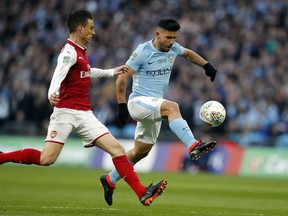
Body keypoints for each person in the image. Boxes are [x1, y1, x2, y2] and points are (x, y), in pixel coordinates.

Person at [0, 9, 167, 207]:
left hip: (85, 113)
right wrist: (51, 92)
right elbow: (58, 73)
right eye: (91, 28)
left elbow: (86, 72)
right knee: (47, 158)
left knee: (117, 149)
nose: (94, 32)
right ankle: (2, 157)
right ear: (80, 28)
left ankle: (141, 193)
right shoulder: (69, 51)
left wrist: (111, 71)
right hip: (65, 113)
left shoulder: (80, 52)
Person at [100, 18, 217, 206]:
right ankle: (193, 145)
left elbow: (187, 54)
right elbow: (121, 78)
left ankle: (110, 180)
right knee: (173, 107)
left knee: (140, 152)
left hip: (153, 104)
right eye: (168, 37)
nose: (172, 42)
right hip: (138, 102)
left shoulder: (173, 47)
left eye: (174, 37)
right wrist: (121, 106)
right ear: (157, 35)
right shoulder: (142, 51)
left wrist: (206, 65)